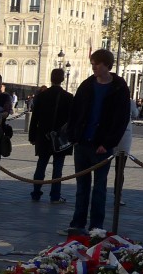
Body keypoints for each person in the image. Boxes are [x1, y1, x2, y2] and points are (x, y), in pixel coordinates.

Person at [66, 48, 131, 233]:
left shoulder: (119, 88)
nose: (93, 66)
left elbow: (121, 119)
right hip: (82, 143)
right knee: (81, 187)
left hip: (101, 146)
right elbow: (75, 112)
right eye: (93, 63)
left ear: (107, 65)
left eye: (97, 63)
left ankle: (96, 225)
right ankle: (77, 223)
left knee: (99, 188)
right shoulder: (86, 85)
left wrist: (108, 143)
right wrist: (74, 136)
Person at [27, 68, 73, 203]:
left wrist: (32, 136)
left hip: (44, 136)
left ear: (51, 78)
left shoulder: (41, 96)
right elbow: (71, 120)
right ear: (63, 79)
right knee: (58, 169)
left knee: (41, 165)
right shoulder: (68, 97)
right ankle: (55, 195)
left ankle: (36, 193)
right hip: (60, 138)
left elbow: (34, 118)